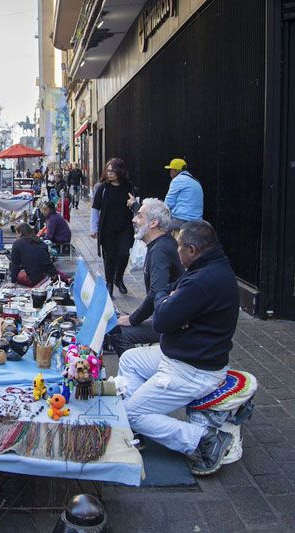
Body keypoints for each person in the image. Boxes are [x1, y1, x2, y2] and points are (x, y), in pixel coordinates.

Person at [119, 220, 239, 476]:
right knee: (130, 359)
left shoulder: (203, 280)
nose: (177, 251)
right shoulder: (208, 265)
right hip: (178, 353)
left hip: (192, 368)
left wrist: (167, 302)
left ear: (193, 249)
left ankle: (203, 439)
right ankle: (145, 418)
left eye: (180, 246)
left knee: (129, 414)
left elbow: (162, 320)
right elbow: (168, 291)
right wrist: (169, 300)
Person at [107, 199, 183, 356]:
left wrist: (133, 319)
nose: (134, 220)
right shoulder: (160, 244)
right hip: (167, 316)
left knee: (116, 331)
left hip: (172, 324)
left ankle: (134, 370)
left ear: (154, 223)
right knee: (119, 317)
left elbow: (156, 292)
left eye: (139, 216)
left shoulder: (160, 250)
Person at [90, 157, 135, 297]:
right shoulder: (103, 188)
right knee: (109, 257)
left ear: (120, 171)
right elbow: (95, 209)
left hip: (125, 227)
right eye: (108, 171)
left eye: (113, 171)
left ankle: (118, 278)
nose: (109, 174)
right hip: (107, 228)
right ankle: (109, 282)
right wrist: (93, 228)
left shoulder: (129, 186)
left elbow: (134, 205)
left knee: (124, 253)